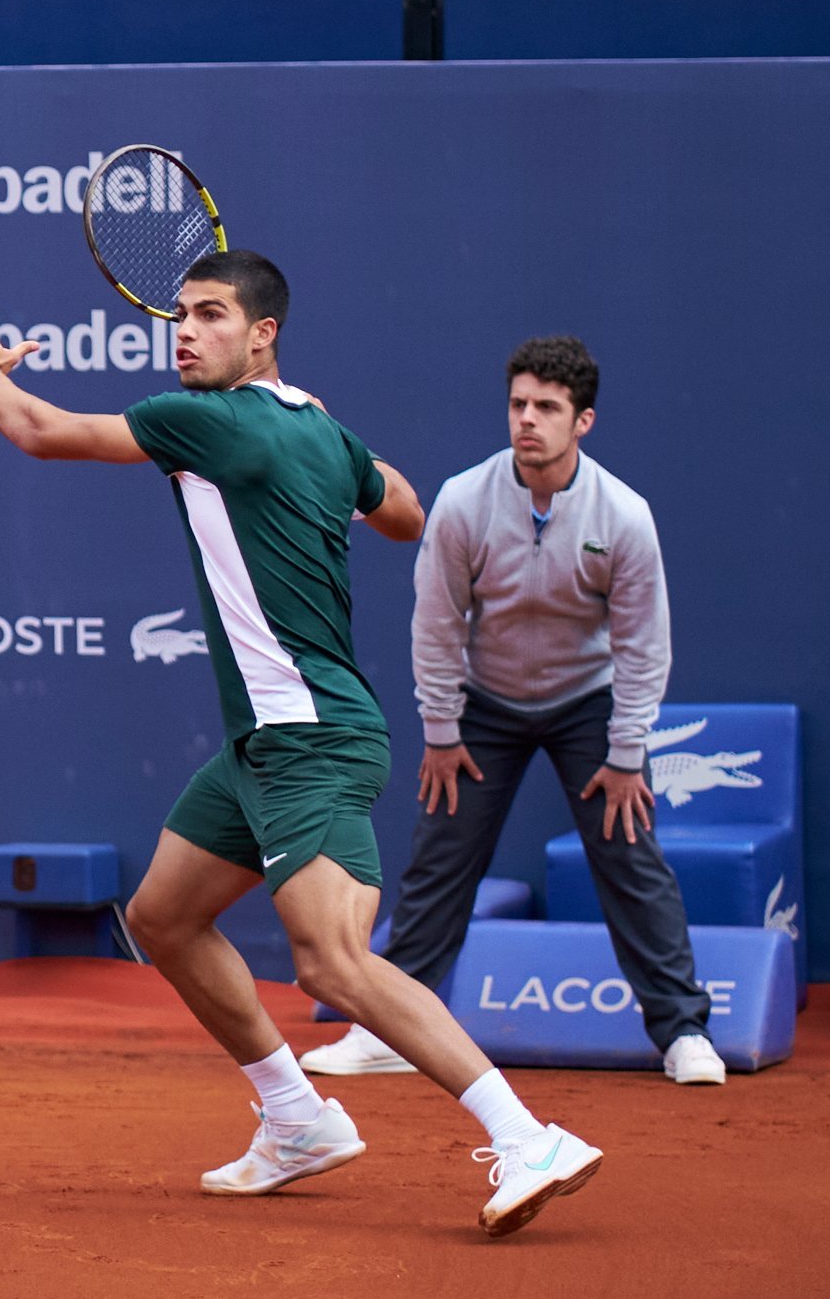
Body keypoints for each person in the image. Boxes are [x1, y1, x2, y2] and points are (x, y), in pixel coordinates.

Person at [0, 264, 609, 1236]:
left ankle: (523, 1135)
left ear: (262, 335)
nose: (185, 334)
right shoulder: (315, 427)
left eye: (210, 317)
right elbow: (406, 514)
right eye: (179, 317)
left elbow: (41, 432)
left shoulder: (205, 421)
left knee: (332, 963)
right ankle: (295, 1119)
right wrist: (318, 459)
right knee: (164, 917)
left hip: (312, 739)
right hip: (262, 742)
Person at [303, 336, 717, 1093]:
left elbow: (642, 642)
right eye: (519, 404)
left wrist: (626, 752)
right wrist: (442, 729)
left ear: (582, 420)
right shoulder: (465, 500)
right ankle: (387, 1032)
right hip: (483, 704)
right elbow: (435, 623)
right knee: (441, 858)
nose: (528, 420)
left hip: (587, 704)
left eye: (547, 408)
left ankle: (683, 1029)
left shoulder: (623, 514)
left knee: (629, 856)